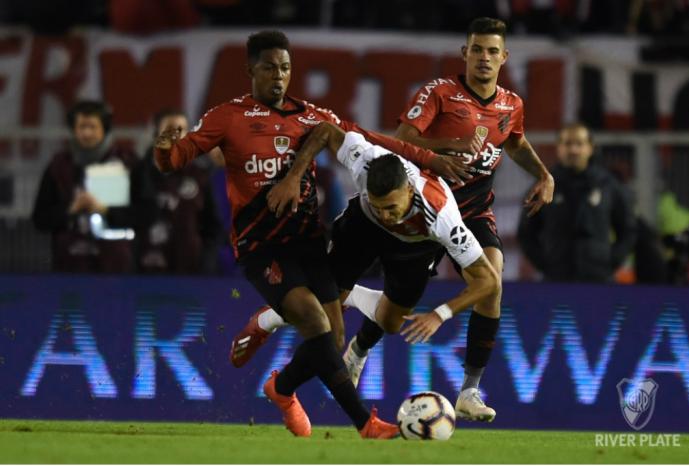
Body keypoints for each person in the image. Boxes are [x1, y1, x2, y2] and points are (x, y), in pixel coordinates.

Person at [153, 30, 466, 439]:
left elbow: (372, 140)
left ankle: (281, 389)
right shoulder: (228, 116)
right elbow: (176, 159)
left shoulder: (311, 116)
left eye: (284, 67)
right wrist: (164, 150)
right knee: (317, 325)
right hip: (261, 246)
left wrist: (431, 160)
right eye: (269, 68)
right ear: (251, 70)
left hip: (307, 241)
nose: (278, 76)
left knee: (332, 339)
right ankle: (366, 424)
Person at [341, 16, 554, 418]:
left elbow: (517, 142)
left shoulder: (511, 104)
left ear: (504, 57)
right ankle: (359, 348)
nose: (484, 58)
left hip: (472, 209)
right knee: (393, 315)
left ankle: (469, 391)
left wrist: (543, 174)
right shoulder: (439, 93)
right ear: (465, 53)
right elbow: (401, 142)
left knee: (492, 279)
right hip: (426, 209)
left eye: (493, 51)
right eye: (477, 50)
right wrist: (445, 147)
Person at [236, 122, 500, 420]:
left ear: (409, 190)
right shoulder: (365, 159)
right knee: (320, 313)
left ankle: (356, 340)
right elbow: (324, 130)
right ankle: (267, 320)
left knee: (390, 322)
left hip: (415, 246)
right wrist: (294, 176)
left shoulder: (441, 216)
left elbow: (488, 280)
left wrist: (440, 314)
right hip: (362, 228)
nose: (386, 215)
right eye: (380, 206)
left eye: (391, 207)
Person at [517, 122, 636, 282]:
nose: (573, 150)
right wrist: (546, 264)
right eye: (567, 144)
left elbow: (628, 230)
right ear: (558, 148)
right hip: (556, 279)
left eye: (579, 144)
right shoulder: (543, 186)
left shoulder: (608, 185)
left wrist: (609, 262)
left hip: (599, 280)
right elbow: (526, 233)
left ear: (590, 147)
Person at [32, 100, 138, 273]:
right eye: (81, 127)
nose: (87, 133)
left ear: (105, 129)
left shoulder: (128, 163)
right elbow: (40, 219)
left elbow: (146, 213)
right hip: (69, 267)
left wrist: (105, 210)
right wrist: (70, 209)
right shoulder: (58, 166)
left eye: (92, 127)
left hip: (116, 269)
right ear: (73, 129)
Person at [132, 109, 223, 274]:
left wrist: (206, 263)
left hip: (190, 274)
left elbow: (212, 227)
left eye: (181, 129)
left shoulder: (200, 176)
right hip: (143, 274)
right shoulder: (136, 173)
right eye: (170, 128)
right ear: (155, 132)